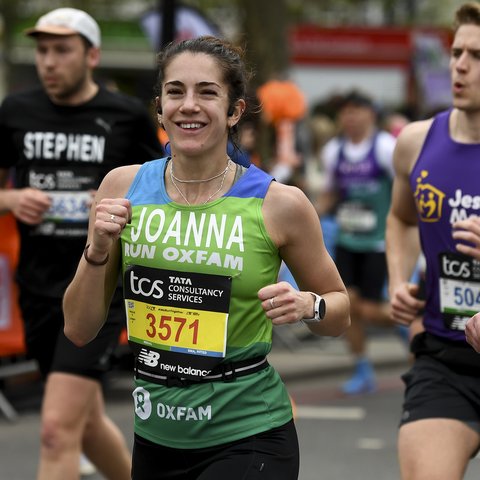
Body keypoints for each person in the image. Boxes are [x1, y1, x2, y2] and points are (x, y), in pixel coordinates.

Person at [63, 35, 350, 480]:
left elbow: (339, 312)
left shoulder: (280, 204)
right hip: (156, 437)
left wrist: (310, 306)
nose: (189, 105)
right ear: (159, 108)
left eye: (207, 92)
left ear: (235, 110)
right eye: (175, 92)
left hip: (249, 435)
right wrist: (97, 252)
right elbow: (79, 330)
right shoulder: (122, 188)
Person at [0, 8, 162, 480]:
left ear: (91, 55)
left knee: (55, 429)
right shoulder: (15, 111)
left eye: (62, 50)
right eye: (42, 51)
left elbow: (166, 192)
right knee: (85, 423)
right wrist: (11, 197)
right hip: (37, 287)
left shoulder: (126, 116)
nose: (49, 62)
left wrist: (118, 205)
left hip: (100, 285)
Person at [386, 3, 480, 478]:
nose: (460, 65)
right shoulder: (417, 142)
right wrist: (399, 280)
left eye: (477, 55)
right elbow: (401, 219)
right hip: (445, 358)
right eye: (457, 51)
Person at [316, 90, 397, 395]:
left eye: (356, 111)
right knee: (348, 307)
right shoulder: (333, 151)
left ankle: (406, 322)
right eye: (345, 112)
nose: (350, 118)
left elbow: (405, 190)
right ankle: (363, 369)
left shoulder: (386, 148)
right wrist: (310, 215)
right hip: (348, 240)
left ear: (370, 114)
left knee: (370, 310)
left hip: (378, 243)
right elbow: (331, 192)